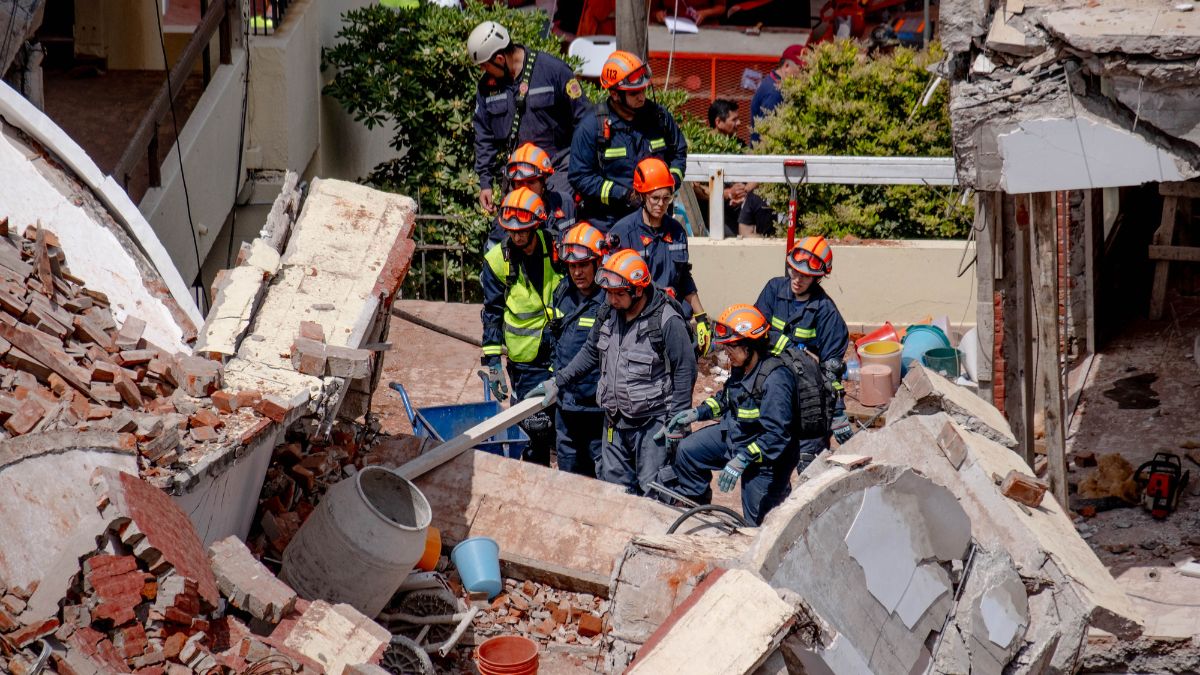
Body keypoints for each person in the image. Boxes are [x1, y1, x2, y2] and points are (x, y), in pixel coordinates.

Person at [529, 250, 697, 496]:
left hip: (653, 426)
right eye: (608, 292)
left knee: (654, 492)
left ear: (638, 290)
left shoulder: (666, 321)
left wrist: (677, 423)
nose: (611, 299)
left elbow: (685, 372)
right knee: (614, 492)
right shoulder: (607, 313)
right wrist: (558, 381)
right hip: (615, 423)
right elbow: (590, 353)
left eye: (618, 294)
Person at [660, 304, 801, 525]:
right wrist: (697, 413)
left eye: (732, 348)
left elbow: (776, 436)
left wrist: (743, 459)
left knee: (759, 524)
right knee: (688, 451)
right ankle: (694, 507)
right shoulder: (741, 367)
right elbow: (726, 399)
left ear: (750, 345)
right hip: (736, 434)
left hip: (766, 460)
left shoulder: (776, 378)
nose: (727, 354)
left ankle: (772, 503)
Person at [468, 20, 591, 213]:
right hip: (518, 175)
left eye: (484, 66)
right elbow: (484, 135)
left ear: (499, 58)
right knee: (511, 230)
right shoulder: (486, 87)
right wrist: (485, 182)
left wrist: (581, 167)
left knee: (552, 221)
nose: (483, 72)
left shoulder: (553, 70)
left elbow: (584, 120)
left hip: (557, 171)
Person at [480, 187, 564, 464]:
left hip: (561, 350)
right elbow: (492, 312)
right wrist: (493, 362)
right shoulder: (497, 261)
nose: (516, 236)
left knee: (564, 426)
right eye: (511, 230)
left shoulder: (556, 248)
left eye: (523, 230)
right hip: (525, 357)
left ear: (536, 225)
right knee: (534, 428)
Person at [753, 235, 852, 469]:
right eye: (794, 271)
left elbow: (831, 369)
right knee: (769, 457)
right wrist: (796, 352)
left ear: (817, 277)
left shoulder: (826, 311)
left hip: (807, 395)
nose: (796, 279)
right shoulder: (773, 289)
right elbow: (756, 333)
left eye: (805, 276)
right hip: (769, 386)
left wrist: (837, 413)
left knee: (809, 462)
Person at [569, 50, 687, 232]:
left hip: (655, 225)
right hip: (609, 225)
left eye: (644, 90)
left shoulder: (659, 118)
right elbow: (580, 176)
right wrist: (622, 194)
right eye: (634, 93)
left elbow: (679, 152)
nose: (642, 97)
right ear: (615, 94)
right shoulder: (591, 127)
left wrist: (670, 183)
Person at [609, 157, 711, 355]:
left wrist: (701, 317)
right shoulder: (623, 232)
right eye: (655, 198)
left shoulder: (677, 231)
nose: (661, 204)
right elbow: (612, 289)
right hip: (634, 325)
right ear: (642, 196)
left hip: (672, 319)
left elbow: (684, 278)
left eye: (667, 198)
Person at [548, 223, 610, 477]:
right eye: (572, 266)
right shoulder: (562, 292)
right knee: (569, 473)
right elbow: (555, 341)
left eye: (583, 265)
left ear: (597, 263)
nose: (577, 272)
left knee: (601, 476)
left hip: (596, 409)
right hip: (566, 406)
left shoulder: (609, 299)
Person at [696, 99, 775, 236]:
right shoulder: (702, 148)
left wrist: (744, 190)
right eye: (734, 119)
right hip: (715, 216)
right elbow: (696, 189)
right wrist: (727, 193)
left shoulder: (739, 145)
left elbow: (759, 172)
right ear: (718, 122)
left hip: (742, 208)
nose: (739, 123)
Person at [486, 142, 577, 247]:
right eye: (519, 183)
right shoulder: (506, 216)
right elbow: (492, 260)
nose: (525, 188)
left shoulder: (564, 203)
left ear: (543, 181)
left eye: (531, 182)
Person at [750, 44, 806, 144]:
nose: (803, 75)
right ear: (786, 66)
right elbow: (765, 131)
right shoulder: (775, 91)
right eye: (800, 70)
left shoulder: (771, 81)